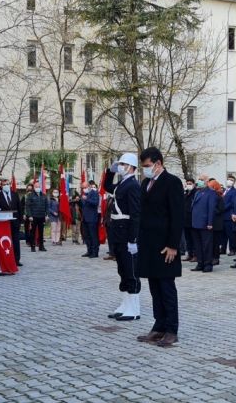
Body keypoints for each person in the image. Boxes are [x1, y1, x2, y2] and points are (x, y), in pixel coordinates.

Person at [135, 147, 183, 348]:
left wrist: (173, 245)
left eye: (147, 166)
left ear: (158, 163)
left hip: (165, 245)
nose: (145, 169)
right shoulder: (147, 182)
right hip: (149, 244)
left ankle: (171, 329)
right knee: (154, 286)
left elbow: (178, 216)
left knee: (166, 287)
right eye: (143, 166)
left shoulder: (172, 182)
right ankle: (159, 325)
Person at [104, 153, 142, 321]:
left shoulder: (133, 185)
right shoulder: (123, 183)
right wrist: (110, 172)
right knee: (122, 270)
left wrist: (133, 239)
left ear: (131, 167)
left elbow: (136, 214)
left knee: (131, 270)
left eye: (122, 164)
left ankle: (134, 309)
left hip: (127, 231)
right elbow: (106, 187)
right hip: (117, 231)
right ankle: (125, 304)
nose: (120, 167)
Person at [0, 178, 23, 266]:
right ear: (1, 186)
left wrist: (20, 221)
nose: (6, 186)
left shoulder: (15, 194)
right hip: (4, 222)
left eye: (7, 184)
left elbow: (19, 208)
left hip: (15, 222)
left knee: (16, 241)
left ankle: (16, 260)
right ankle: (7, 258)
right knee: (6, 241)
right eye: (4, 184)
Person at [191, 174, 217, 273]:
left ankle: (208, 264)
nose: (199, 181)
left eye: (202, 179)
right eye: (199, 179)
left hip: (205, 223)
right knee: (198, 245)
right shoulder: (198, 192)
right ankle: (200, 263)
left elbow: (211, 209)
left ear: (207, 181)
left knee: (206, 245)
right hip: (196, 223)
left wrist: (210, 222)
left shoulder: (211, 192)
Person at [25, 182, 48, 252]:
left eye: (39, 186)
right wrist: (30, 216)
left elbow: (46, 206)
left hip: (42, 216)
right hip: (33, 217)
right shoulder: (30, 195)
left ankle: (41, 246)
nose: (38, 188)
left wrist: (46, 215)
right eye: (36, 187)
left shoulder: (44, 195)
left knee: (41, 232)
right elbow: (27, 206)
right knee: (33, 232)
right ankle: (33, 246)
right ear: (34, 188)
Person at [81, 181, 100, 258]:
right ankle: (89, 251)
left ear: (89, 186)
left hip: (92, 218)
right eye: (83, 188)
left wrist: (87, 199)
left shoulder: (94, 193)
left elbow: (96, 203)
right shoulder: (84, 194)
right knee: (87, 236)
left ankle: (95, 252)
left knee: (93, 236)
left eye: (85, 187)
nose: (84, 189)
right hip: (85, 218)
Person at [222, 175, 236, 256]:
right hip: (222, 216)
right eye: (228, 179)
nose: (229, 181)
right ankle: (223, 248)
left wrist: (222, 208)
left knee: (230, 234)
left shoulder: (235, 191)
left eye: (231, 180)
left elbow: (232, 203)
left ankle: (233, 249)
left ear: (234, 182)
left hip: (228, 215)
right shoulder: (224, 191)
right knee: (223, 234)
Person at [209, 180, 225, 264]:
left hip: (217, 223)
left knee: (216, 242)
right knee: (211, 242)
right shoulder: (210, 196)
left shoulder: (218, 197)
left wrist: (211, 208)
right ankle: (211, 257)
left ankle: (216, 258)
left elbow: (221, 209)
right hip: (210, 222)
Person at [182, 178, 196, 262]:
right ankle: (190, 254)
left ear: (194, 184)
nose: (188, 185)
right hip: (185, 219)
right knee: (188, 239)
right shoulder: (186, 193)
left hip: (192, 219)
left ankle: (195, 254)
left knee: (193, 239)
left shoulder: (195, 193)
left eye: (190, 183)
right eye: (187, 183)